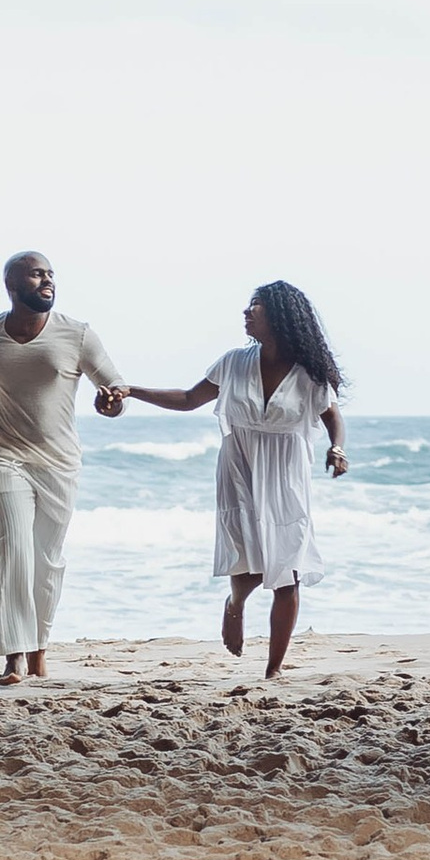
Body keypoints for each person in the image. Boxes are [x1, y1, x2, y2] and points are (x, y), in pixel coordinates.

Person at [122, 282, 347, 678]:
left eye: (255, 306)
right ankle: (236, 605)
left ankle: (273, 668)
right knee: (245, 555)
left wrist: (337, 449)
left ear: (279, 315)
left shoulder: (309, 372)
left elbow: (331, 415)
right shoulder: (233, 362)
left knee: (288, 567)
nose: (246, 312)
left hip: (287, 474)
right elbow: (189, 399)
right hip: (238, 465)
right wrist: (133, 391)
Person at [0, 250, 126, 684]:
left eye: (50, 274)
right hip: (4, 456)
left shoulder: (77, 335)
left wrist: (110, 403)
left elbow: (112, 386)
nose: (47, 280)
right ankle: (14, 654)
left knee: (46, 561)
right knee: (13, 548)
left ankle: (38, 650)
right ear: (12, 286)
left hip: (59, 463)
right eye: (36, 275)